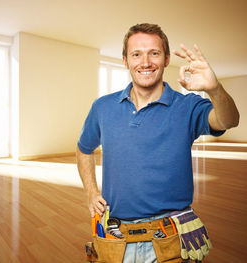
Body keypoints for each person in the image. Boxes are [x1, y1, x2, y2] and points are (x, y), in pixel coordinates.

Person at [77, 23, 239, 263]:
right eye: (136, 54)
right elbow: (83, 149)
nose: (145, 62)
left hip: (172, 238)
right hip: (116, 237)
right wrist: (91, 192)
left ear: (166, 59)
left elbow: (229, 119)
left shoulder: (188, 106)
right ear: (125, 60)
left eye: (154, 53)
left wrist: (214, 89)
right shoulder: (102, 107)